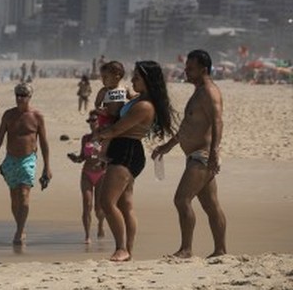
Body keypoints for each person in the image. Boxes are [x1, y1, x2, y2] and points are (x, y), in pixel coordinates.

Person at [94, 60, 175, 262]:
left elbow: (117, 129)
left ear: (148, 80)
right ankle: (127, 250)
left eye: (137, 77)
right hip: (125, 149)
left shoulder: (145, 106)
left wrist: (99, 135)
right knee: (125, 204)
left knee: (106, 201)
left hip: (127, 151)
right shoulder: (138, 99)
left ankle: (122, 247)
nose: (132, 80)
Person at [150, 49, 227, 258]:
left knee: (181, 199)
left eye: (190, 68)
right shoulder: (198, 91)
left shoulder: (209, 91)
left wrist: (214, 152)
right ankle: (220, 250)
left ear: (203, 69)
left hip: (202, 155)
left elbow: (217, 121)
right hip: (196, 156)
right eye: (186, 67)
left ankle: (186, 249)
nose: (186, 71)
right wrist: (168, 146)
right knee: (211, 205)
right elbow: (188, 125)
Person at [0, 82, 52, 246]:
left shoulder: (37, 117)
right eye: (17, 95)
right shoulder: (8, 115)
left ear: (30, 97)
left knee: (24, 195)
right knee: (14, 197)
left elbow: (44, 143)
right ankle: (20, 227)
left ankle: (19, 231)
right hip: (10, 159)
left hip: (28, 160)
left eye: (23, 95)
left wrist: (47, 167)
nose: (19, 98)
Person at [68, 113, 107, 243]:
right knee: (87, 204)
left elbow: (108, 157)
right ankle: (87, 235)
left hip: (101, 173)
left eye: (94, 120)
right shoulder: (86, 138)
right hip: (87, 173)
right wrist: (75, 158)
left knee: (98, 207)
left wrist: (102, 158)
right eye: (89, 121)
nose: (91, 123)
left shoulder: (105, 138)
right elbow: (82, 157)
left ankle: (101, 224)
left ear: (99, 121)